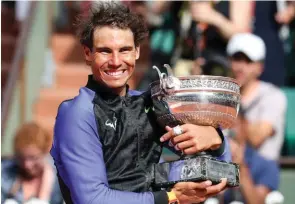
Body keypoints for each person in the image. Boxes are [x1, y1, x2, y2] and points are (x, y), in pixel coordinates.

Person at [50, 2, 232, 204]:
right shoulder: (77, 113)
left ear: (137, 52)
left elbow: (221, 172)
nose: (116, 61)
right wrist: (170, 197)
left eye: (125, 50)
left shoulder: (152, 104)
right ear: (87, 53)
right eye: (105, 51)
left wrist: (216, 140)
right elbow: (92, 199)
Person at [226, 33, 287, 161]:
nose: (240, 67)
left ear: (260, 67)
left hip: (260, 174)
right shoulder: (222, 94)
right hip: (224, 169)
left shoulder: (273, 95)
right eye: (237, 59)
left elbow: (256, 138)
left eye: (248, 61)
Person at [223, 111, 280, 204]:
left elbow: (258, 202)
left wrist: (241, 167)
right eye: (223, 127)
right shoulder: (210, 158)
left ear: (245, 124)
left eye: (232, 125)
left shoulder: (267, 165)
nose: (228, 132)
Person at [1, 122, 63, 204]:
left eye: (33, 158)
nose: (27, 165)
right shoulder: (5, 172)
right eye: (21, 158)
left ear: (45, 152)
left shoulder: (61, 179)